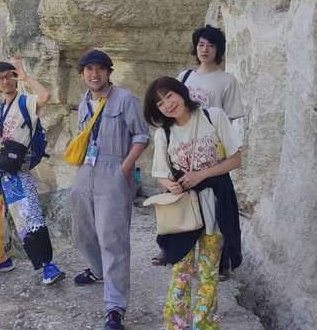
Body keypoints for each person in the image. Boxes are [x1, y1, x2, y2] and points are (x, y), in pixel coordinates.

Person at [143, 77, 243, 330]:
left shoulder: (213, 116)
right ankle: (175, 325)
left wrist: (201, 175)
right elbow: (160, 172)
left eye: (169, 96)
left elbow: (235, 160)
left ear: (181, 92)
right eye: (160, 103)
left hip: (216, 207)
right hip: (183, 210)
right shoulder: (163, 133)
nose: (167, 104)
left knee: (209, 274)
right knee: (181, 271)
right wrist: (171, 184)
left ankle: (205, 326)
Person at [152, 25, 242, 280]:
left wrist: (217, 150)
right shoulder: (185, 75)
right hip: (182, 146)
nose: (205, 49)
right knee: (179, 199)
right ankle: (170, 249)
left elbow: (230, 119)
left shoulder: (227, 80)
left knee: (215, 210)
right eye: (201, 44)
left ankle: (218, 262)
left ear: (219, 50)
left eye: (211, 45)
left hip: (210, 146)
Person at [70, 50, 150, 330]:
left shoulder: (125, 99)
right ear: (83, 75)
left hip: (114, 172)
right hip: (85, 172)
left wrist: (126, 167)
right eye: (89, 69)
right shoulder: (82, 104)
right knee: (81, 230)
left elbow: (142, 136)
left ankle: (114, 308)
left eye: (100, 69)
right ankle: (98, 270)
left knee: (112, 239)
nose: (94, 74)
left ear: (108, 72)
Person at [0, 60, 66, 285]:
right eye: (0, 78)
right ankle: (1, 260)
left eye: (9, 75)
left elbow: (45, 96)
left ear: (14, 77)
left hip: (18, 171)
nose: (6, 81)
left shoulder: (26, 102)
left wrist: (27, 78)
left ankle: (47, 266)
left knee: (29, 217)